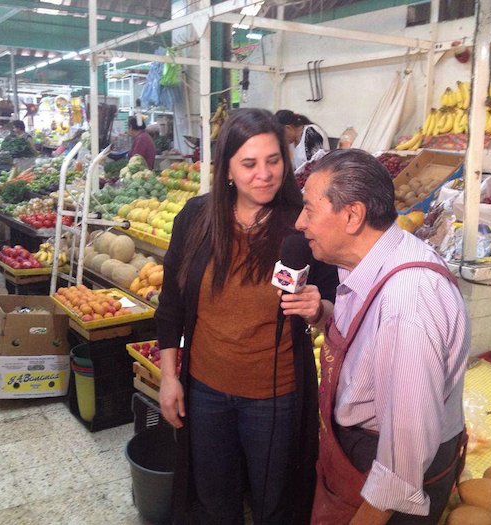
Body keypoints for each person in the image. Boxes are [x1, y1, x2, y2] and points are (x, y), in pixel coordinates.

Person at [155, 108, 338, 525]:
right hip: (205, 391)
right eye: (250, 164)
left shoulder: (304, 226)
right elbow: (170, 306)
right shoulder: (197, 220)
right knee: (216, 500)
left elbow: (331, 302)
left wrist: (319, 309)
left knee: (275, 503)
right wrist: (169, 377)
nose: (265, 174)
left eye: (274, 161)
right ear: (228, 172)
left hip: (276, 397)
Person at [293, 149, 470, 525]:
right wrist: (324, 314)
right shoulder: (368, 260)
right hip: (362, 449)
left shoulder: (407, 303)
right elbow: (368, 344)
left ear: (352, 215)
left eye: (309, 210)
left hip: (388, 474)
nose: (298, 223)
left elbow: (402, 462)